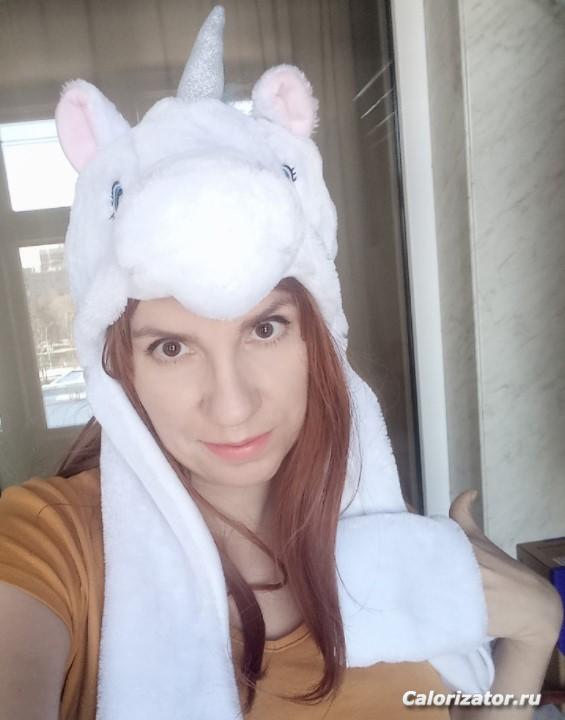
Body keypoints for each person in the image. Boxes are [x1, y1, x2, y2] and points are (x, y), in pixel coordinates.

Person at [0, 6, 562, 720]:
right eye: (170, 347)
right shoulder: (54, 546)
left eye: (265, 328)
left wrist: (532, 632)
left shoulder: (375, 522)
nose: (232, 405)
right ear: (120, 368)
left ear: (315, 338)